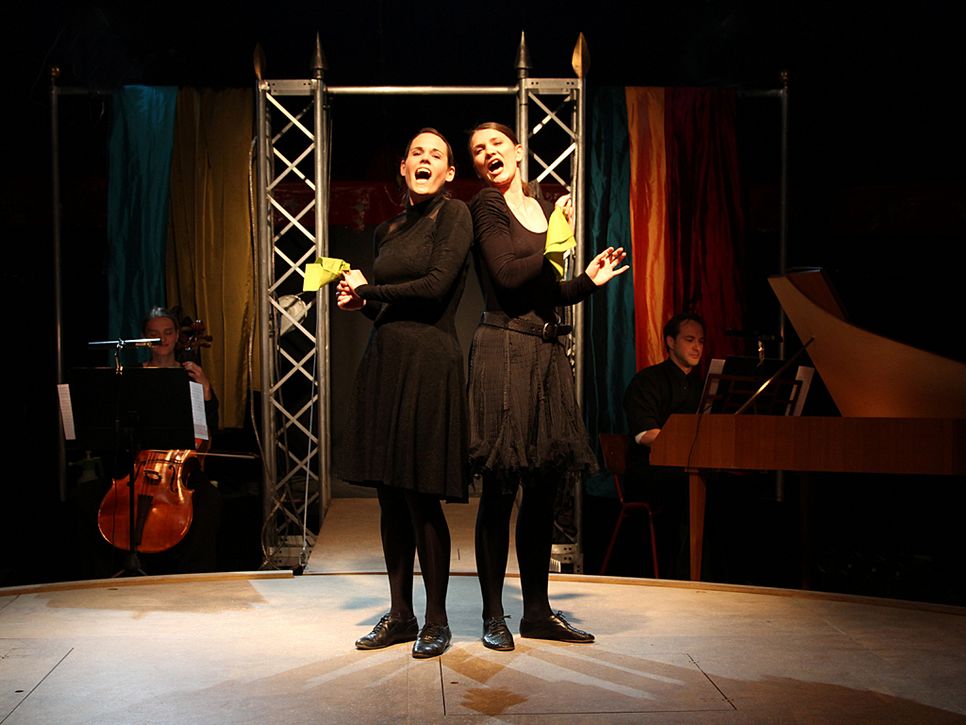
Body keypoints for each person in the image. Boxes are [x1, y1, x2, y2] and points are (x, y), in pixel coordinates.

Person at [466, 121, 628, 651]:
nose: (488, 153)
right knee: (500, 490)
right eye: (478, 150)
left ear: (517, 150)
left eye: (496, 144)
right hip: (504, 349)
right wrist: (555, 238)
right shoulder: (487, 207)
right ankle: (494, 615)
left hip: (545, 352)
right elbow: (508, 276)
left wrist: (587, 282)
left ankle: (537, 612)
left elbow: (548, 292)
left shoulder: (542, 206)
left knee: (541, 491)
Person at [335, 128, 472, 659]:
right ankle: (400, 615)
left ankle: (436, 620)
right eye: (417, 152)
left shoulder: (454, 215)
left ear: (449, 172)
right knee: (390, 496)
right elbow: (389, 309)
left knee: (420, 495)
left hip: (429, 362)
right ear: (403, 165)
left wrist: (369, 288)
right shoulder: (388, 229)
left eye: (436, 154)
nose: (425, 159)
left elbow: (435, 288)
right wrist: (362, 304)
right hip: (387, 361)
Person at [68, 306, 222, 577]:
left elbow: (207, 430)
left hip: (177, 467)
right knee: (83, 497)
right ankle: (99, 576)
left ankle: (194, 575)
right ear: (143, 339)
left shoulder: (190, 377)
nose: (162, 339)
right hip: (135, 466)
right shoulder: (132, 376)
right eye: (154, 334)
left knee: (209, 499)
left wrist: (206, 391)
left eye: (168, 332)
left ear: (177, 336)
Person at [621, 312, 706, 579]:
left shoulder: (704, 387)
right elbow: (645, 434)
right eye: (689, 340)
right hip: (650, 470)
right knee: (687, 485)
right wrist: (686, 447)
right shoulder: (648, 381)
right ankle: (681, 574)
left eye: (701, 341)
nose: (697, 347)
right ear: (670, 342)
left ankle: (714, 573)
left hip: (690, 467)